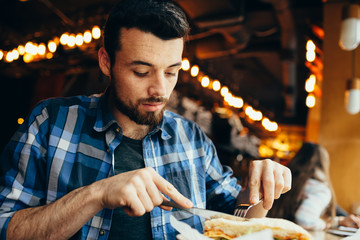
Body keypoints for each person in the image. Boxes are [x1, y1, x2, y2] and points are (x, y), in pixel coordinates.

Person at [0, 0, 291, 239]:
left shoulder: (193, 139)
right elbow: (5, 227)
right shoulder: (52, 121)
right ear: (106, 62)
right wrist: (97, 194)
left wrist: (261, 191)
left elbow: (237, 220)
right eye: (141, 72)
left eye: (171, 72)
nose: (160, 90)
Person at [267, 142, 360, 230]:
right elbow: (305, 220)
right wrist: (325, 225)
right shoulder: (319, 188)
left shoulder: (283, 179)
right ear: (324, 164)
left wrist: (339, 220)